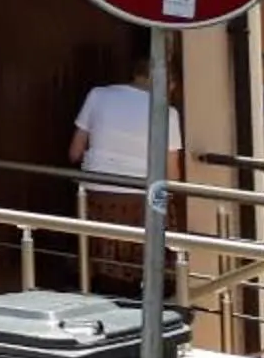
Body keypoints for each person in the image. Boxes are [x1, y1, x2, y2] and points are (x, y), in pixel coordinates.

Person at [71, 49, 183, 295]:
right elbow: (171, 174)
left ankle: (96, 286)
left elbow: (74, 153)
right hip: (142, 197)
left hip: (97, 193)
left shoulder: (98, 95)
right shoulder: (167, 112)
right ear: (167, 81)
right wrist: (165, 213)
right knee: (158, 214)